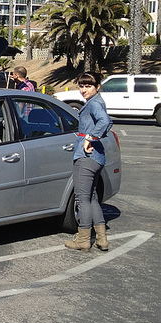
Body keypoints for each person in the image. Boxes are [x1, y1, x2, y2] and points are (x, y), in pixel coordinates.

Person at [65, 71, 113, 252]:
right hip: (97, 157)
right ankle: (101, 238)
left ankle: (83, 240)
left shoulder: (94, 104)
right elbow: (109, 124)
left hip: (87, 157)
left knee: (82, 198)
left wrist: (90, 138)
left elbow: (105, 121)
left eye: (88, 86)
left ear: (97, 87)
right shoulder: (97, 102)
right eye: (81, 86)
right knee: (92, 197)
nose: (83, 90)